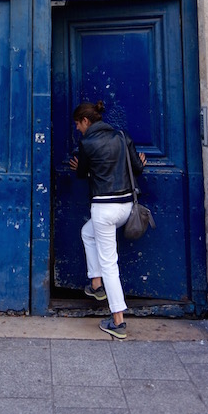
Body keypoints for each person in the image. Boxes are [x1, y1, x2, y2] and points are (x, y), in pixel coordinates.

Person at [69, 100, 147, 339]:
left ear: (86, 121)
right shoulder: (122, 136)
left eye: (77, 124)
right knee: (87, 232)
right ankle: (96, 284)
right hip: (125, 207)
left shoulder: (87, 143)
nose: (77, 129)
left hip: (103, 209)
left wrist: (80, 167)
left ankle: (118, 320)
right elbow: (137, 168)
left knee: (110, 264)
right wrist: (139, 162)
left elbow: (82, 173)